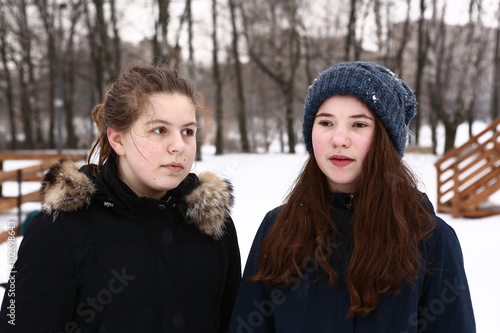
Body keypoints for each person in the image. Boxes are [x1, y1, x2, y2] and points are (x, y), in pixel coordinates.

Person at [229, 61, 475, 333]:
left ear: (386, 140)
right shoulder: (278, 229)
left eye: (358, 124)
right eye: (325, 122)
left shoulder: (430, 239)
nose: (339, 139)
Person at [0, 64, 241, 332]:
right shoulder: (60, 230)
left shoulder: (213, 225)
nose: (179, 146)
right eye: (160, 130)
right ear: (117, 139)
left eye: (188, 131)